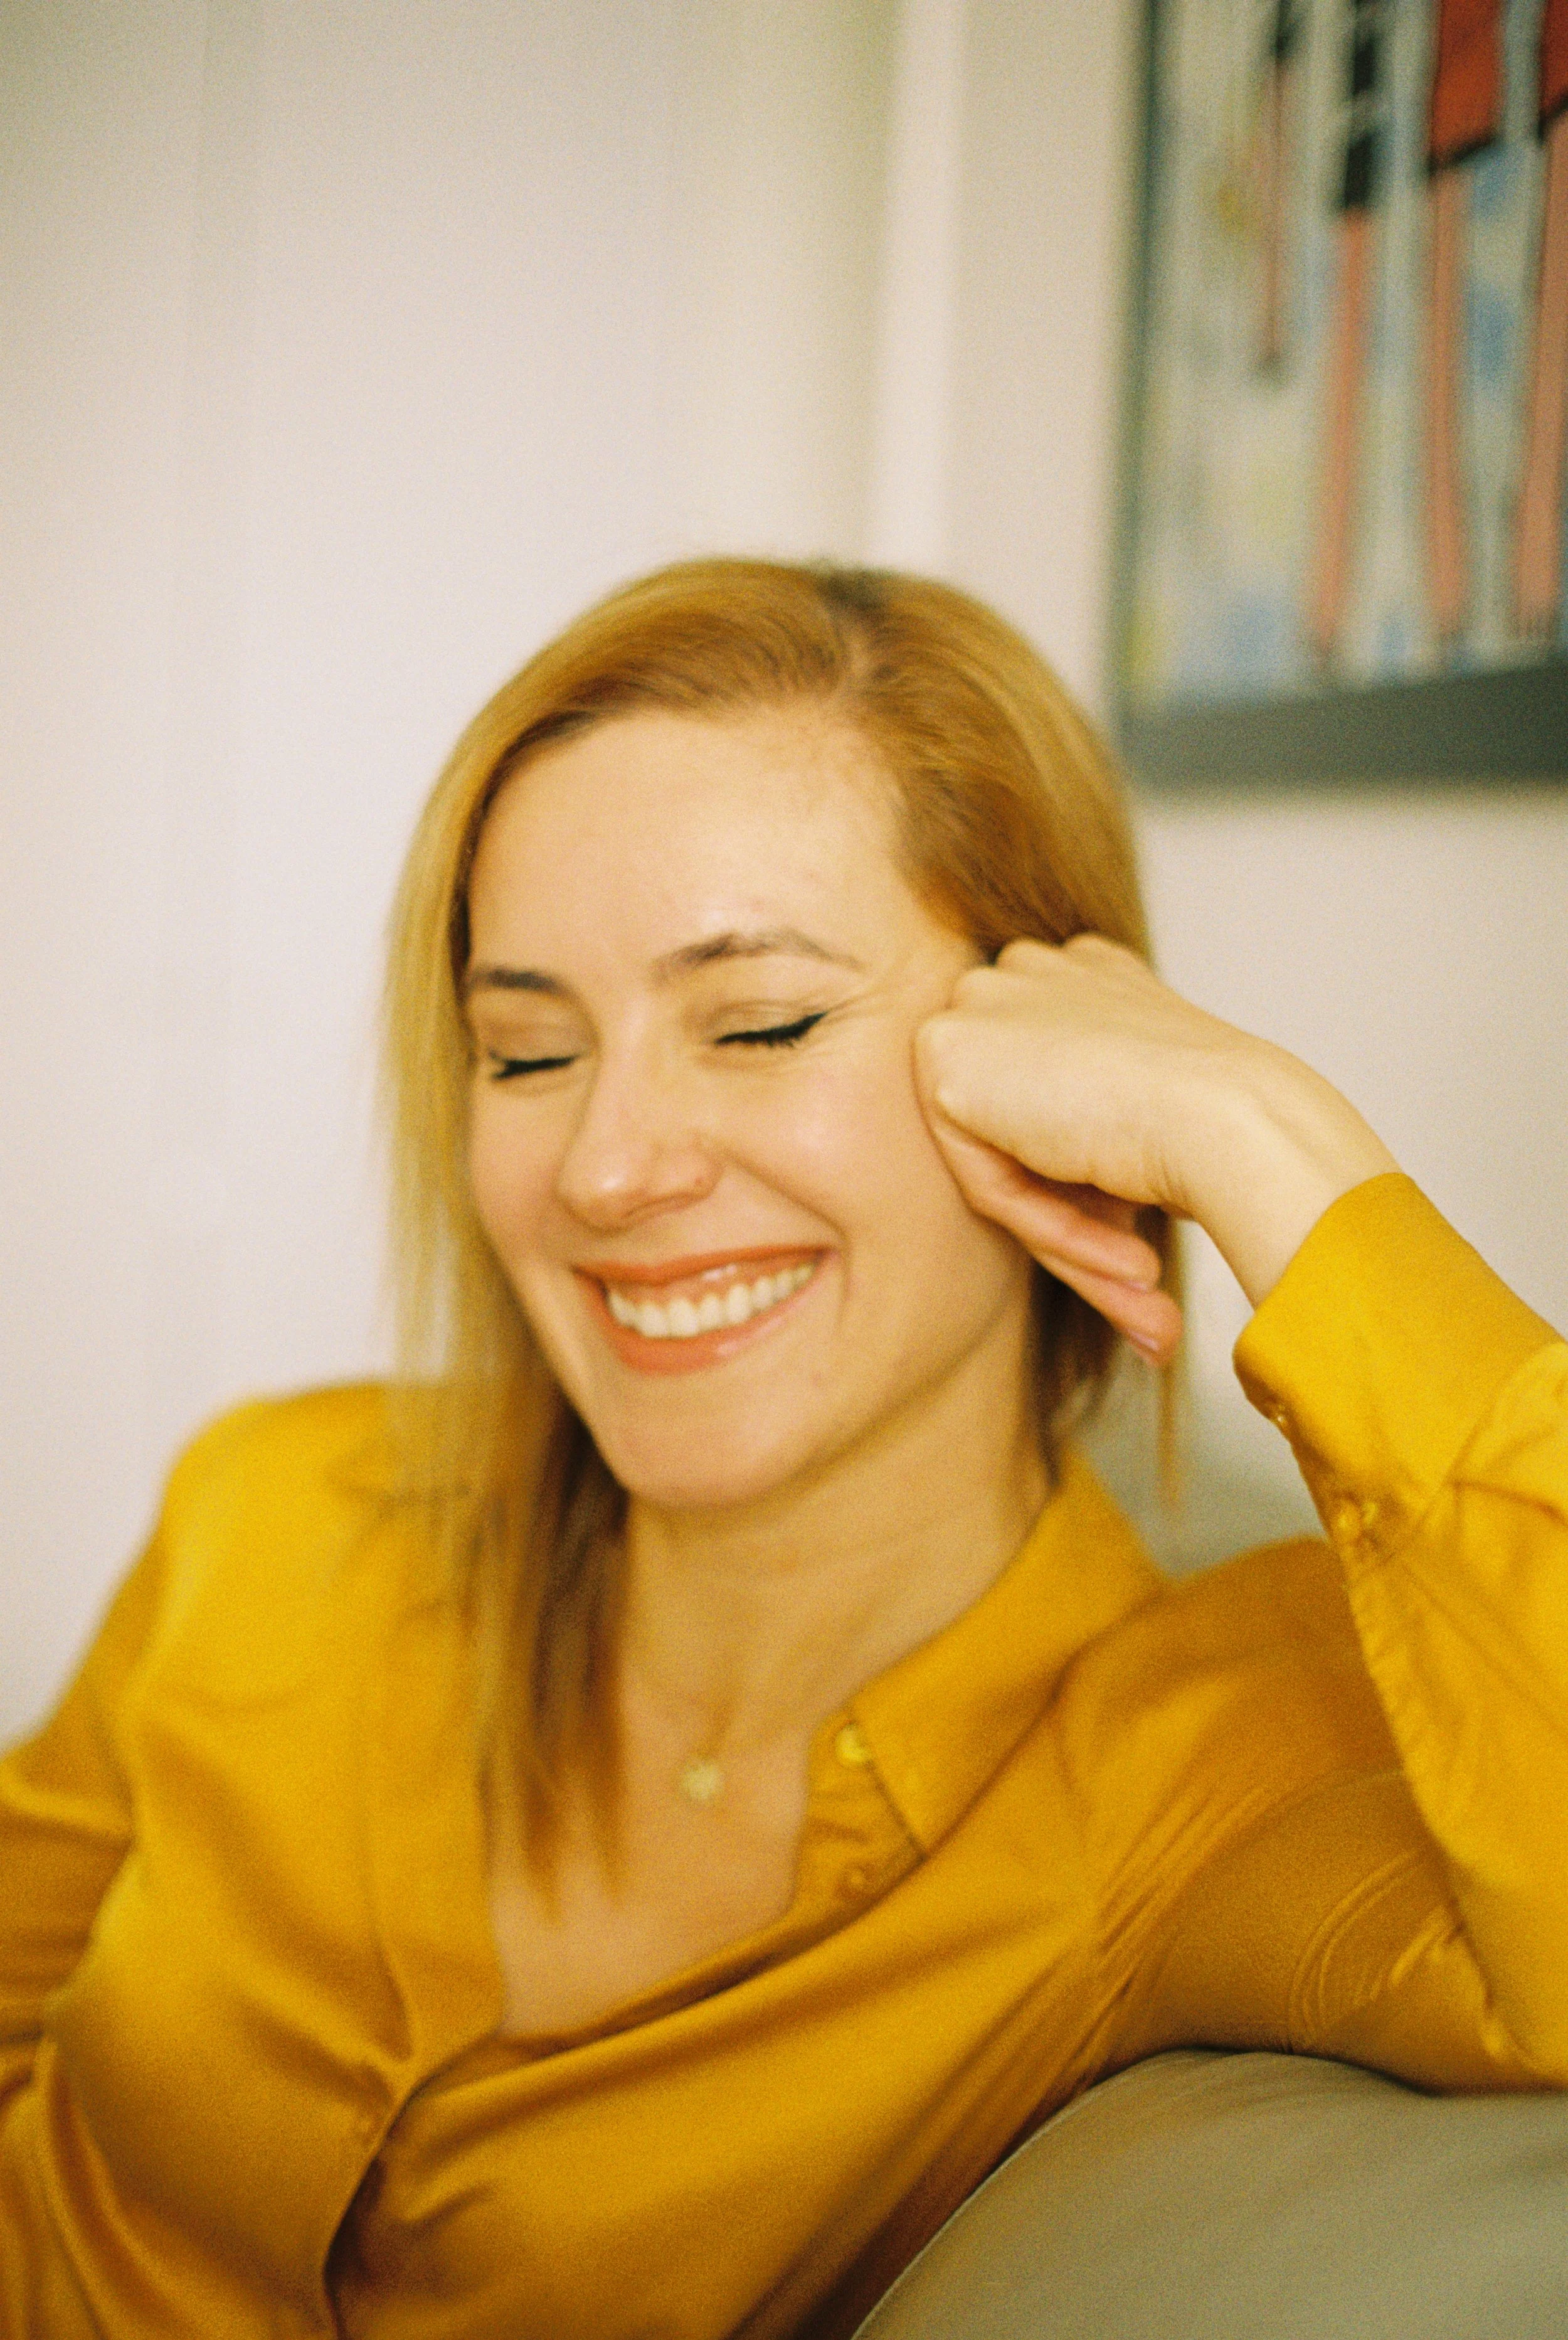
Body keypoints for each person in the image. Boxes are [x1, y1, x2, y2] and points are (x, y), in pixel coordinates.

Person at [2, 558, 1564, 2340]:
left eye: (759, 1024)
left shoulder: (1188, 1763)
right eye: (524, 1051)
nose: (604, 1168)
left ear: (1052, 1057)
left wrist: (1266, 1146)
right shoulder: (273, 1503)